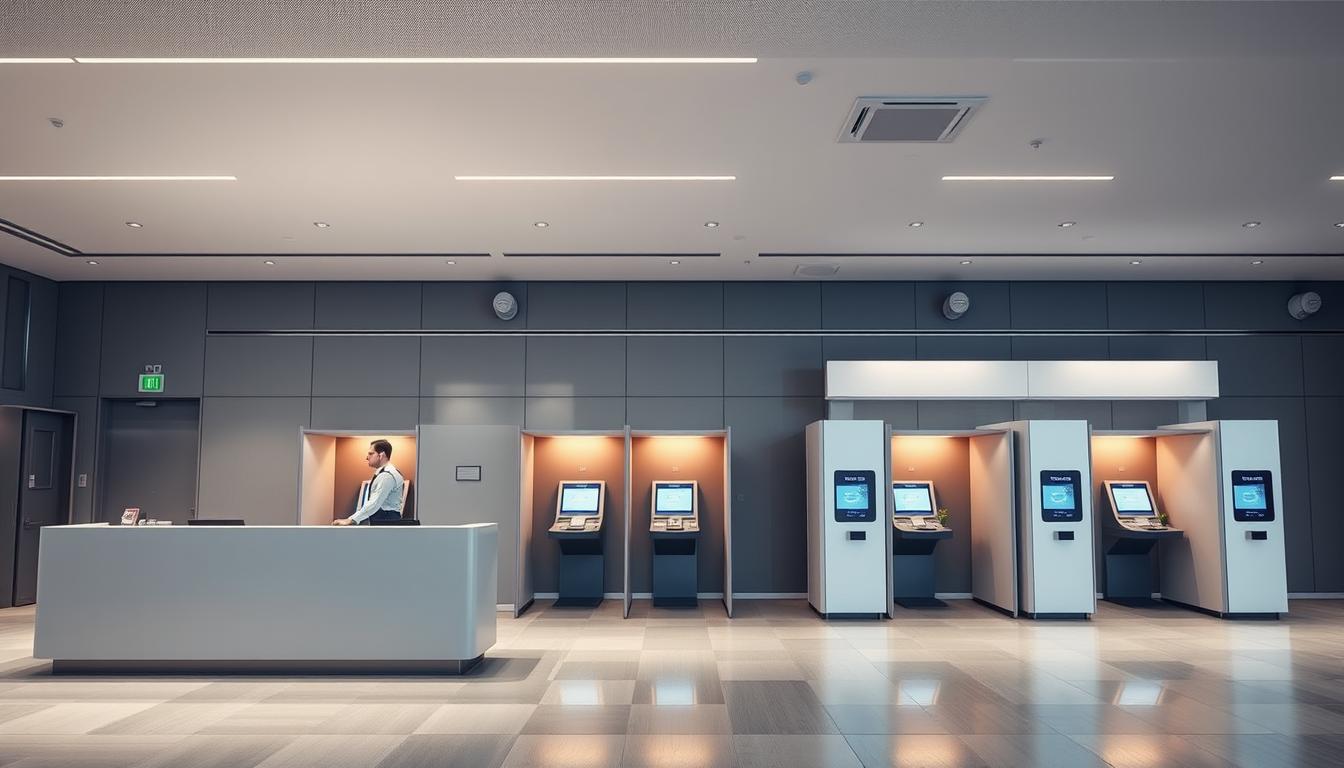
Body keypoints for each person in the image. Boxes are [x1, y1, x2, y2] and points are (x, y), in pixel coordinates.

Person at [332, 439, 405, 526]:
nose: (367, 457)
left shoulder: (386, 476)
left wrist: (351, 520)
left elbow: (375, 503)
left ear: (381, 455)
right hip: (384, 519)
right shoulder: (385, 473)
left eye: (371, 453)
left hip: (386, 521)